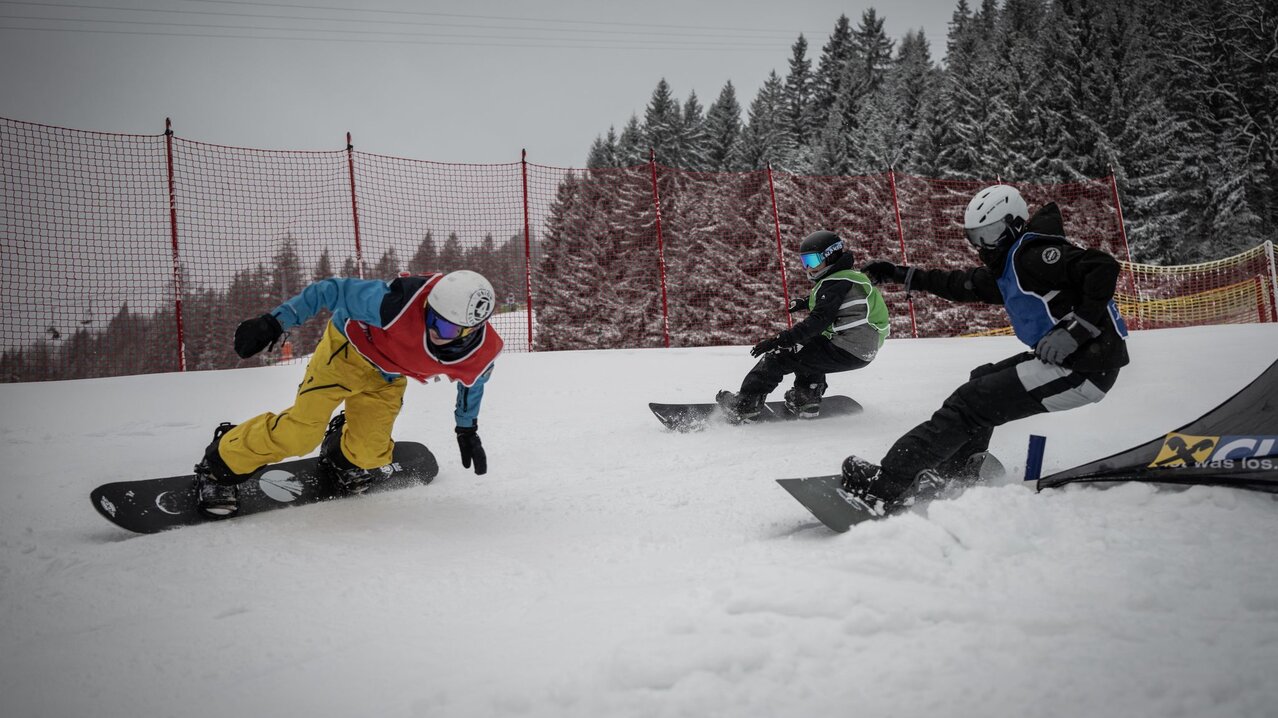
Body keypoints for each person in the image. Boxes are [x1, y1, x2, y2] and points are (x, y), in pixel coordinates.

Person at [843, 184, 1130, 513]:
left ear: (1014, 224)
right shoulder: (1012, 264)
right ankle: (958, 474)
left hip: (1083, 369)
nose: (983, 246)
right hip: (1075, 363)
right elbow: (960, 284)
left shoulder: (1033, 256)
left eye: (990, 234)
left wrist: (1077, 329)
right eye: (975, 237)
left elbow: (1103, 267)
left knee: (968, 404)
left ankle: (886, 487)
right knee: (980, 381)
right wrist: (899, 274)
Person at [194, 269, 503, 518]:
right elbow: (332, 290)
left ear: (471, 330)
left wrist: (467, 428)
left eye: (447, 329)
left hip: (388, 376)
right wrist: (274, 322)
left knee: (371, 455)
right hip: (345, 353)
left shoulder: (480, 353)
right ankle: (220, 464)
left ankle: (338, 454)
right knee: (301, 434)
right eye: (432, 317)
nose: (434, 329)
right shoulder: (397, 304)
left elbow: (472, 383)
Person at [716, 230, 889, 422]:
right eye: (805, 262)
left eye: (813, 261)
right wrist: (806, 302)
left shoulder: (834, 283)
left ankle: (745, 405)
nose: (809, 268)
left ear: (830, 257)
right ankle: (806, 398)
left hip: (846, 347)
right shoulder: (849, 278)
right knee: (811, 349)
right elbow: (835, 302)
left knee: (781, 354)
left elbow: (818, 321)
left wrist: (779, 341)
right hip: (862, 350)